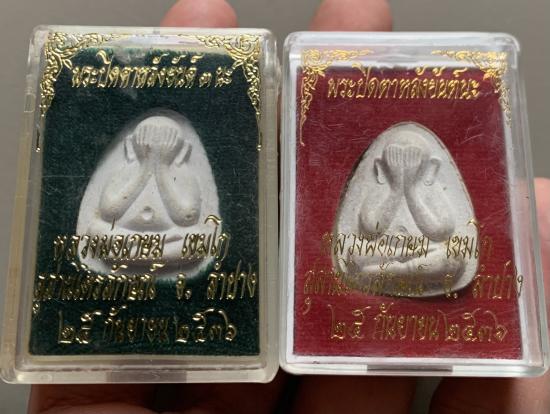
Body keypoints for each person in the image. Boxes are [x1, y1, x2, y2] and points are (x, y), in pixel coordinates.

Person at [28, 0, 550, 412]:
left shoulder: (420, 180)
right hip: (146, 246)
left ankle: (390, 272)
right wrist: (150, 163)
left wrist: (407, 183)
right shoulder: (141, 160)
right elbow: (113, 212)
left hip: (398, 259)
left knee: (449, 257)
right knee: (130, 237)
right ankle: (390, 271)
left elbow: (187, 216)